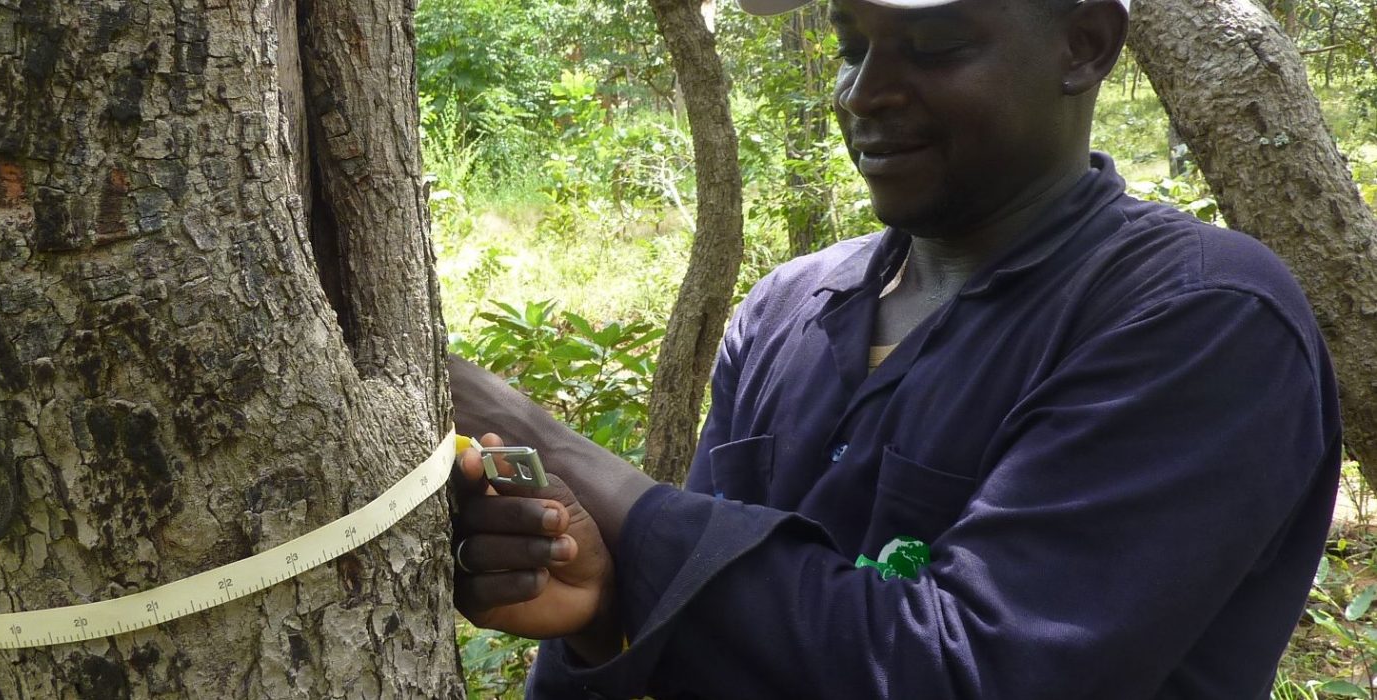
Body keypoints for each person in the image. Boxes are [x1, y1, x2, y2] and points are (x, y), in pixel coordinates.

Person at [446, 0, 1344, 697]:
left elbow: (977, 674)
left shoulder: (1199, 316)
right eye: (850, 46)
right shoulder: (787, 310)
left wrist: (566, 456)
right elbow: (711, 636)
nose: (864, 92)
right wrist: (606, 616)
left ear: (1084, 43)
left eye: (935, 48)